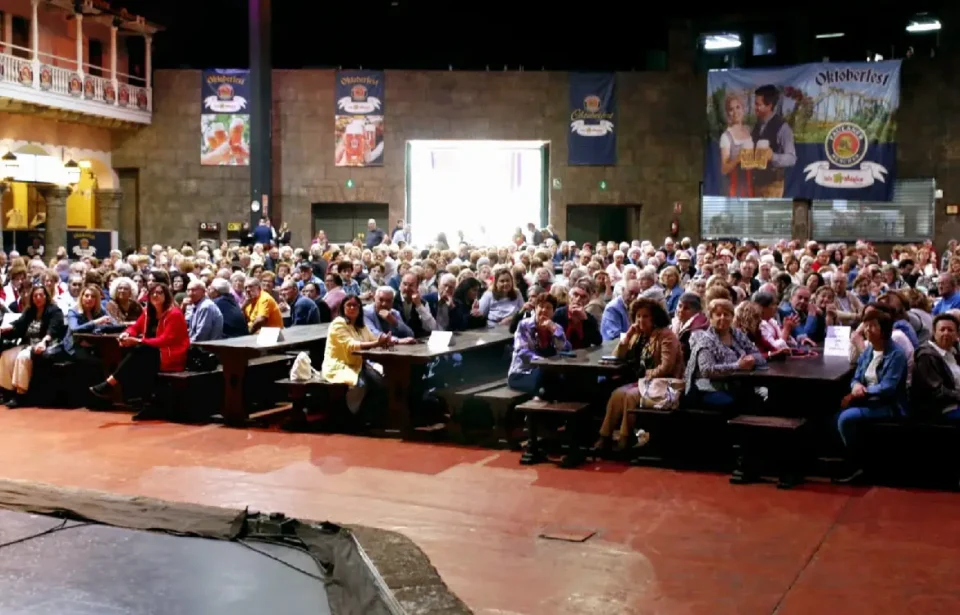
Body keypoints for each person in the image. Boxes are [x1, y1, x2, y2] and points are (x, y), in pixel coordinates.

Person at [89, 284, 190, 420]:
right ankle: (141, 401)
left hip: (171, 354)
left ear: (166, 296)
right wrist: (126, 334)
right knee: (134, 353)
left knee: (140, 351)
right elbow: (135, 328)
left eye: (160, 293)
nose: (155, 295)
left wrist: (138, 341)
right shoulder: (148, 312)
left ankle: (110, 384)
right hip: (151, 352)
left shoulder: (174, 314)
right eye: (153, 293)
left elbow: (165, 340)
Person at [596, 298, 684, 451]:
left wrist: (647, 375)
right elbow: (618, 355)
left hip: (663, 383)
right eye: (638, 316)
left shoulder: (666, 335)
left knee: (630, 395)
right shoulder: (637, 335)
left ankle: (625, 438)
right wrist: (628, 336)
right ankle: (605, 436)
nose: (641, 320)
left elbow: (666, 367)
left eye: (645, 316)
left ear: (654, 318)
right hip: (643, 382)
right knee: (617, 394)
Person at [835, 309, 908, 483]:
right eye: (866, 326)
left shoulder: (896, 353)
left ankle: (858, 465)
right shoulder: (869, 351)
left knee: (846, 418)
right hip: (867, 400)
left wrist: (862, 392)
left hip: (888, 404)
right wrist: (856, 385)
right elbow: (857, 377)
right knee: (834, 416)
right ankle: (851, 458)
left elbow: (889, 386)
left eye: (873, 326)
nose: (867, 330)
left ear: (884, 330)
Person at [685, 299, 766, 409]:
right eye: (718, 315)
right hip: (709, 389)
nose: (722, 318)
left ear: (732, 317)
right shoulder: (705, 340)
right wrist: (737, 366)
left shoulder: (737, 334)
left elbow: (758, 355)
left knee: (761, 399)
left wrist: (750, 359)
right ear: (711, 318)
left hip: (736, 386)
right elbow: (707, 370)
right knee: (742, 404)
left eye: (726, 314)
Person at [321, 295, 391, 419]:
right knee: (360, 384)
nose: (352, 308)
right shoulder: (338, 324)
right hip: (339, 366)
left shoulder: (361, 326)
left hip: (359, 365)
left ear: (360, 309)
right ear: (343, 308)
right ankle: (351, 416)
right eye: (349, 305)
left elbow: (374, 339)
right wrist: (377, 343)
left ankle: (369, 416)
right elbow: (351, 346)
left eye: (355, 305)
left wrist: (390, 341)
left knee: (381, 384)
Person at [0, 285, 66, 407]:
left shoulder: (54, 311)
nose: (38, 298)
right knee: (6, 356)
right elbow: (19, 324)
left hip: (44, 344)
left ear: (46, 296)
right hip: (27, 344)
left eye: (41, 295)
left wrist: (44, 341)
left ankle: (20, 394)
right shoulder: (30, 311)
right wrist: (7, 328)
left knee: (23, 357)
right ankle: (7, 392)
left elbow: (53, 329)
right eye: (35, 296)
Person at [507, 294, 570, 394]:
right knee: (548, 379)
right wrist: (544, 362)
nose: (544, 310)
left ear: (553, 312)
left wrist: (554, 331)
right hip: (522, 373)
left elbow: (565, 349)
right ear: (535, 309)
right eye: (541, 306)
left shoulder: (556, 328)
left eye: (548, 307)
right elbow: (522, 351)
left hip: (548, 372)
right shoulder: (524, 325)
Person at [910, 313, 960, 420]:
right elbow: (937, 391)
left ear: (957, 335)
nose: (946, 333)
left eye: (950, 330)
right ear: (934, 332)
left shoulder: (954, 353)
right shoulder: (926, 356)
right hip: (939, 410)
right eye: (942, 329)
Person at [750, 84, 796, 198]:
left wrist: (773, 157)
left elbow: (792, 158)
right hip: (756, 183)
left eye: (758, 104)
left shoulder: (783, 128)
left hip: (773, 186)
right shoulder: (756, 126)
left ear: (769, 105)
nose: (754, 107)